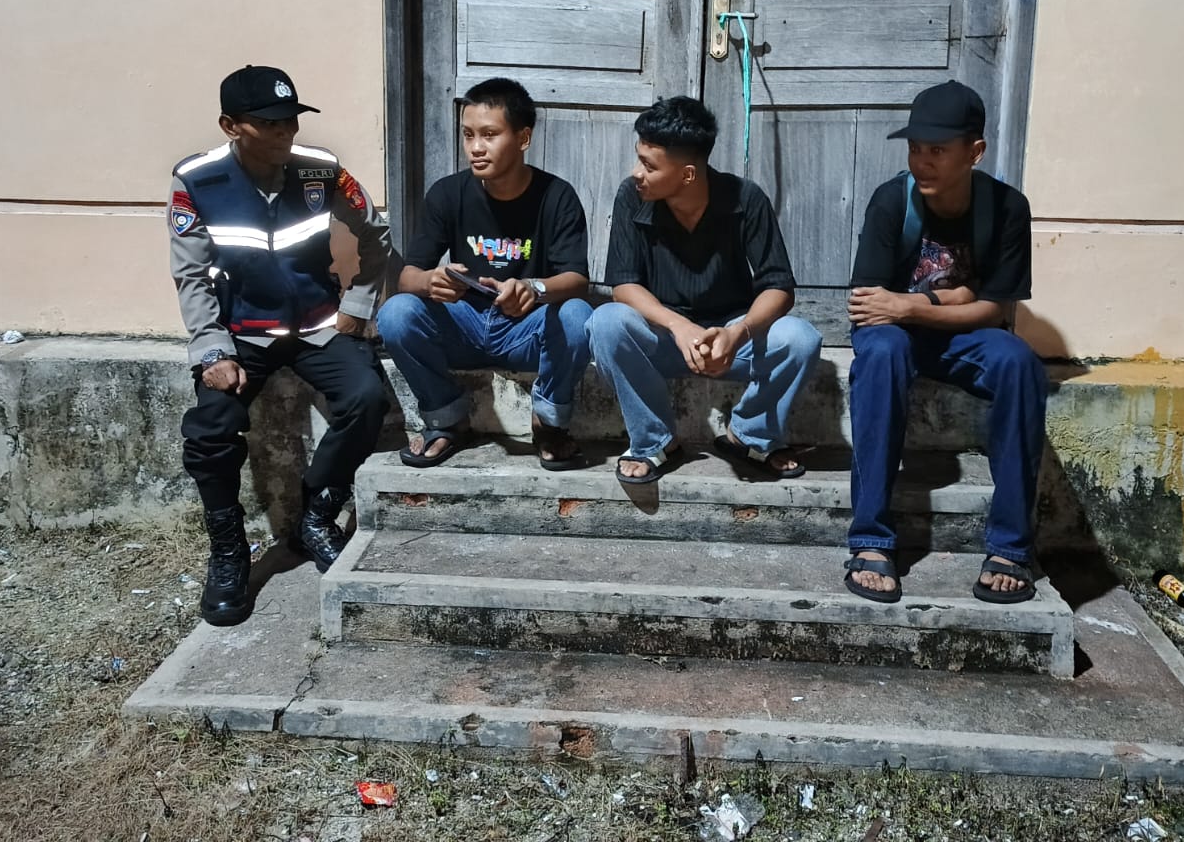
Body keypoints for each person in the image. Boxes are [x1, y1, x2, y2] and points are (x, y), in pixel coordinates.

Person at [169, 65, 392, 627]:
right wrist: (212, 349)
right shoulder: (198, 181)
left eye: (290, 119)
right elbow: (191, 275)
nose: (285, 131)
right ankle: (228, 553)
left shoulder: (322, 170)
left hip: (317, 325)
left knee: (366, 396)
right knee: (211, 429)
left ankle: (316, 517)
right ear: (231, 126)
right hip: (241, 334)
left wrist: (358, 305)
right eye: (268, 123)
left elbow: (377, 235)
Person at [844, 79, 1046, 605]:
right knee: (883, 352)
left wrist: (915, 305)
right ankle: (870, 539)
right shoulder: (892, 201)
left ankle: (1010, 547)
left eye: (937, 151)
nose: (922, 162)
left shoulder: (1007, 207)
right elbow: (868, 305)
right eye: (915, 149)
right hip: (894, 338)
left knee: (1019, 362)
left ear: (974, 152)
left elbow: (994, 309)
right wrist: (951, 298)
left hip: (962, 338)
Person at [586, 97, 821, 485]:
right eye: (639, 159)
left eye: (649, 165)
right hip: (662, 338)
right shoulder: (632, 195)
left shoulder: (746, 198)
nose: (636, 173)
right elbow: (624, 286)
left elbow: (778, 287)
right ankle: (654, 441)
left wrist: (737, 333)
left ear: (688, 174)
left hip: (728, 342)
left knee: (801, 338)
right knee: (605, 323)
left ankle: (749, 435)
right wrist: (679, 327)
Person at [376, 78, 592, 469]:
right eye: (468, 135)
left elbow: (577, 280)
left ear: (523, 138)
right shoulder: (447, 193)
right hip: (463, 325)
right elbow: (407, 277)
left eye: (489, 135)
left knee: (578, 315)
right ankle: (446, 420)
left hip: (525, 329)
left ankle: (549, 423)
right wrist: (431, 281)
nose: (476, 147)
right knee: (396, 313)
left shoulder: (557, 196)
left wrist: (533, 288)